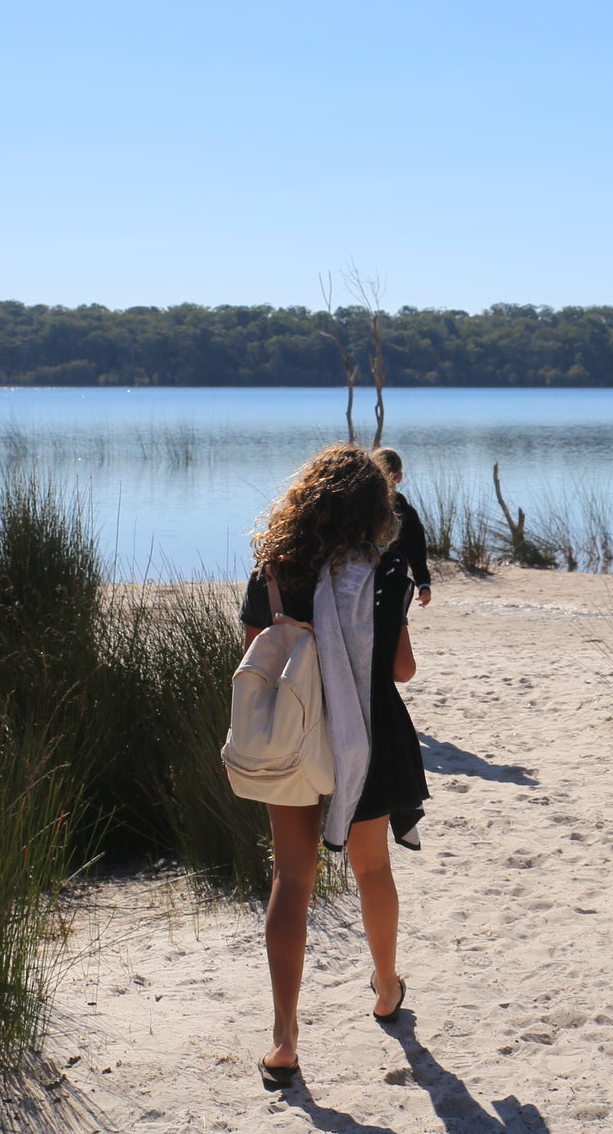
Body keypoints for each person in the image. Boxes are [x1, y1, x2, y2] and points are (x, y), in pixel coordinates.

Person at [239, 445, 429, 1091]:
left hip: (294, 740)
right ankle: (385, 988)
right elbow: (401, 668)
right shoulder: (385, 568)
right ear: (374, 508)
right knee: (372, 865)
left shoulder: (275, 565)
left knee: (291, 878)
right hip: (364, 739)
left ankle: (285, 1039)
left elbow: (253, 657)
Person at [375, 446, 433, 607]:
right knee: (397, 624)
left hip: (361, 579)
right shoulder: (405, 510)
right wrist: (423, 584)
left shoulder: (358, 505)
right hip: (394, 580)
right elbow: (417, 551)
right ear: (399, 477)